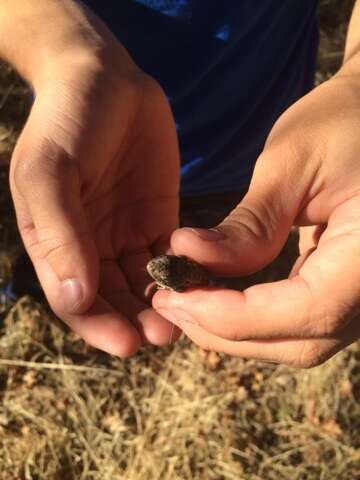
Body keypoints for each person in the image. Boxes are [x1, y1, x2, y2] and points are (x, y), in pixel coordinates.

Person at [1, 0, 360, 367]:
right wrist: (62, 49)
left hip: (261, 166)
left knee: (217, 267)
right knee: (63, 263)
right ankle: (27, 297)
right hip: (98, 168)